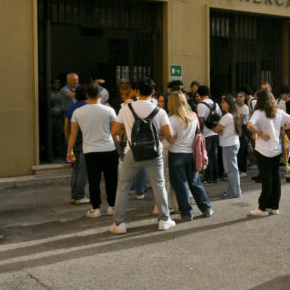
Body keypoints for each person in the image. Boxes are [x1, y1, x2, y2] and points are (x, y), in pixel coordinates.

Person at [109, 77, 175, 234]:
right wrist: (158, 134)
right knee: (159, 185)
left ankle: (119, 224)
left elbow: (114, 131)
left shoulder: (126, 108)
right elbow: (170, 135)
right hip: (154, 152)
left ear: (136, 91)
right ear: (153, 92)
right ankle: (164, 220)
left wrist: (129, 131)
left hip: (132, 152)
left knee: (123, 186)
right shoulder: (160, 111)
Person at [67, 83, 119, 217]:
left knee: (93, 180)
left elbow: (73, 134)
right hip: (109, 148)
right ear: (100, 95)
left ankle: (96, 208)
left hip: (90, 150)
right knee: (111, 179)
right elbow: (115, 133)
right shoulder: (109, 110)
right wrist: (118, 148)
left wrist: (69, 151)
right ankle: (112, 206)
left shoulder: (78, 112)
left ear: (86, 95)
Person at [246, 89, 290, 216]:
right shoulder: (278, 112)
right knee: (275, 178)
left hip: (262, 149)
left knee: (266, 179)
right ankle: (274, 207)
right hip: (276, 149)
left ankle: (262, 208)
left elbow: (249, 125)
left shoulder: (258, 112)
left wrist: (260, 134)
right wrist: (282, 129)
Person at [165, 90, 213, 222]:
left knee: (181, 185)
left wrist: (165, 136)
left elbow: (171, 140)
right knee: (195, 182)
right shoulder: (193, 115)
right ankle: (206, 208)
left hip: (176, 154)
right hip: (192, 153)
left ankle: (186, 213)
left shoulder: (172, 119)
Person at [64, 85, 89, 205]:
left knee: (75, 169)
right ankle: (80, 195)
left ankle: (74, 195)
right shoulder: (88, 108)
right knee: (83, 169)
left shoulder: (70, 108)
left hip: (74, 141)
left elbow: (65, 128)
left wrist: (69, 143)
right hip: (86, 141)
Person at [215, 94, 243, 199]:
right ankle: (232, 190)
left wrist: (219, 130)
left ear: (228, 104)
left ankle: (235, 191)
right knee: (231, 169)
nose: (221, 104)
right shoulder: (233, 115)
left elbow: (216, 129)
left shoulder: (227, 116)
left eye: (223, 102)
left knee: (231, 170)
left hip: (229, 145)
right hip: (232, 143)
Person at [194, 86, 222, 184]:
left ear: (200, 94)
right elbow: (220, 116)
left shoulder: (200, 105)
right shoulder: (216, 104)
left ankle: (209, 177)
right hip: (215, 132)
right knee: (214, 155)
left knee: (207, 156)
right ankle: (216, 176)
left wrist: (198, 132)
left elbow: (200, 120)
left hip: (206, 134)